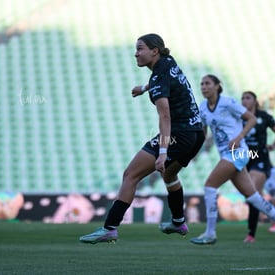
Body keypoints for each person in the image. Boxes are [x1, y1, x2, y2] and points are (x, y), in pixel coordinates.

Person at [79, 33, 205, 244]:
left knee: (130, 175)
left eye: (140, 49)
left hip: (178, 134)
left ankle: (109, 228)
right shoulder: (168, 62)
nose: (135, 53)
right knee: (170, 176)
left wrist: (163, 152)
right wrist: (144, 88)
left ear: (154, 50)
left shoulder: (157, 77)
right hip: (197, 133)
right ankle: (178, 221)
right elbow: (169, 81)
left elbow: (165, 116)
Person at [189, 75, 275, 247]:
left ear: (217, 86)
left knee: (210, 185)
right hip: (226, 155)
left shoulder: (228, 102)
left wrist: (239, 137)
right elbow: (203, 133)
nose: (203, 87)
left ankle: (210, 233)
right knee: (253, 197)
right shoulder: (203, 108)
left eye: (207, 83)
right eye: (201, 84)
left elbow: (251, 119)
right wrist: (194, 151)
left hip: (238, 152)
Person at [241, 91, 275, 243]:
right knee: (253, 197)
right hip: (246, 158)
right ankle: (274, 213)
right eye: (243, 98)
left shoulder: (264, 116)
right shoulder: (240, 117)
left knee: (252, 191)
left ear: (255, 101)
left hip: (260, 158)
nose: (245, 101)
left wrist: (273, 145)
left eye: (248, 98)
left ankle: (251, 234)